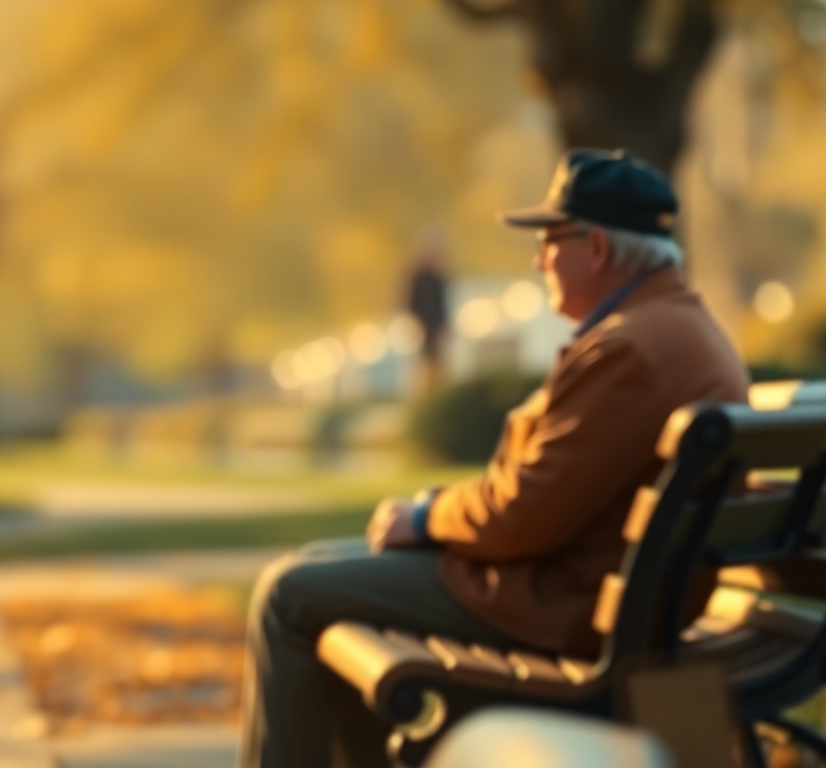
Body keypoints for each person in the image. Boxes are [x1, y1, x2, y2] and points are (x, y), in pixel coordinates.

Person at [238, 149, 751, 768]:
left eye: (549, 239)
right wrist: (434, 516)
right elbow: (539, 498)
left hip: (561, 605)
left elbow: (520, 515)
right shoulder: (670, 327)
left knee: (288, 595)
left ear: (597, 249)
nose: (538, 259)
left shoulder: (628, 349)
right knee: (320, 569)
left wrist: (427, 519)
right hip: (602, 590)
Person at [403, 228, 450, 394]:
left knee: (438, 369)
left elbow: (443, 306)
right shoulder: (418, 277)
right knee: (424, 371)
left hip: (436, 329)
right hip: (423, 330)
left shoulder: (439, 277)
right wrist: (417, 325)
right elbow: (410, 304)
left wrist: (445, 326)